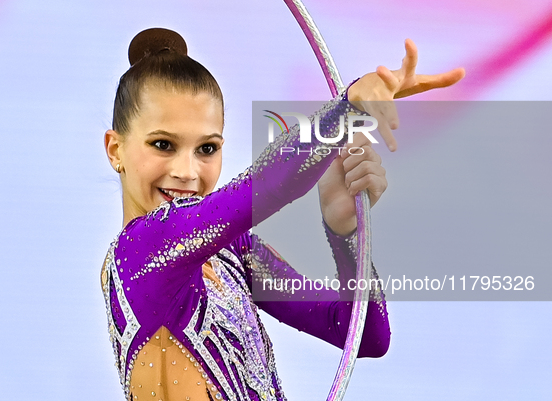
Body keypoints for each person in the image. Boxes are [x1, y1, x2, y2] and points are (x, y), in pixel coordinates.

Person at [101, 28, 464, 401]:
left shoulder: (231, 254)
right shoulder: (140, 249)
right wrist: (348, 106)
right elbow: (268, 185)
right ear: (115, 150)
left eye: (207, 148)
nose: (188, 171)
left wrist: (344, 233)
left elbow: (363, 333)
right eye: (163, 144)